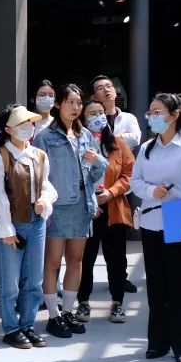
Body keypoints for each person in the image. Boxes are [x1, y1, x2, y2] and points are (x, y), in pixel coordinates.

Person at [131, 92, 181, 362]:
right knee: (156, 285)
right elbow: (135, 182)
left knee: (180, 284)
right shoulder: (147, 147)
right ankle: (158, 341)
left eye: (158, 112)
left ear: (175, 115)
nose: (152, 117)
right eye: (150, 112)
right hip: (152, 221)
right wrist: (151, 190)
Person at [33, 84, 107, 339]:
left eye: (78, 103)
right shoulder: (45, 136)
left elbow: (97, 173)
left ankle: (67, 311)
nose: (75, 107)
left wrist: (97, 161)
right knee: (53, 262)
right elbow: (39, 175)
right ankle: (53, 315)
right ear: (59, 104)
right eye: (70, 102)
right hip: (57, 205)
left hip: (82, 205)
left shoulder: (85, 135)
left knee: (76, 260)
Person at [0, 105, 56, 349]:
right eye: (21, 124)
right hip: (12, 224)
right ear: (8, 129)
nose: (28, 127)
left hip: (37, 223)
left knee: (34, 280)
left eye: (30, 123)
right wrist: (6, 227)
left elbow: (46, 185)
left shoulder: (39, 155)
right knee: (10, 283)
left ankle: (28, 325)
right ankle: (11, 328)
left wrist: (45, 200)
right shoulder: (0, 157)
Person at [76, 99, 134, 324]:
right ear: (83, 118)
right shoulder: (78, 142)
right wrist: (91, 198)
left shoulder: (118, 143)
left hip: (114, 208)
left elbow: (129, 174)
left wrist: (111, 192)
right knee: (85, 259)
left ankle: (117, 302)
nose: (97, 117)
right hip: (86, 210)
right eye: (91, 113)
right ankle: (83, 302)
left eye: (100, 112)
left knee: (116, 260)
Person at [90, 74, 143, 291]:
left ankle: (120, 280)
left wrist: (113, 138)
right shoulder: (87, 125)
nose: (107, 90)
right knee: (89, 246)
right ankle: (84, 288)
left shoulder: (128, 118)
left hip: (117, 188)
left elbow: (136, 139)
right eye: (100, 87)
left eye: (109, 86)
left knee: (117, 243)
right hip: (92, 193)